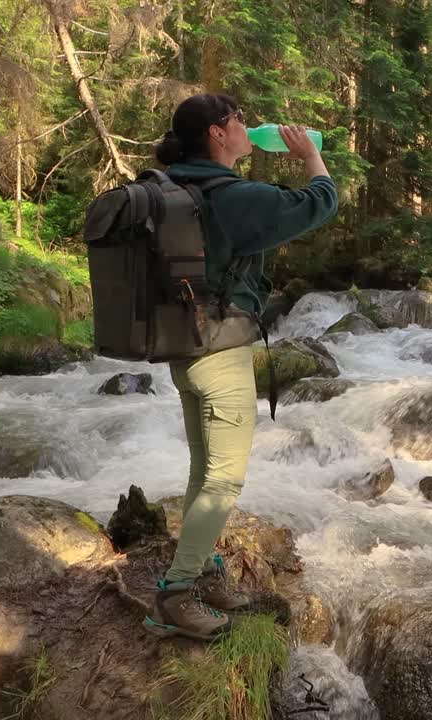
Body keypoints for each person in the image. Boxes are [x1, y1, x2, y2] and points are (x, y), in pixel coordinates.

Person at [147, 93, 337, 640]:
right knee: (224, 480)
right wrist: (310, 158)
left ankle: (202, 574)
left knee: (204, 472)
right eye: (240, 121)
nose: (249, 129)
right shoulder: (230, 197)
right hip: (220, 349)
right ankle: (176, 596)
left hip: (183, 347)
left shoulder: (178, 186)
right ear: (216, 132)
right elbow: (317, 204)